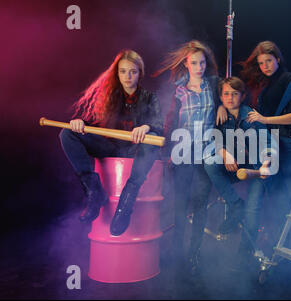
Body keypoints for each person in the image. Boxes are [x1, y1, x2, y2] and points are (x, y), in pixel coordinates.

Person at [59, 49, 163, 236]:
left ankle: (126, 202)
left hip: (136, 151)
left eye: (133, 71)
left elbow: (159, 125)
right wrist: (79, 122)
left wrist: (146, 127)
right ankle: (95, 192)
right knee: (67, 134)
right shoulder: (108, 96)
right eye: (123, 71)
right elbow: (90, 120)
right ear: (117, 73)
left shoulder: (150, 98)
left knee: (152, 144)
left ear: (140, 73)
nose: (128, 76)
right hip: (111, 148)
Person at [153, 40, 226, 275]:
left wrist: (223, 105)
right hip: (183, 153)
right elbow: (171, 124)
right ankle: (176, 254)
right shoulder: (179, 91)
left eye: (202, 62)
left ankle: (194, 254)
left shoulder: (213, 85)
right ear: (186, 63)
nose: (199, 67)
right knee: (180, 206)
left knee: (200, 205)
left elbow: (233, 94)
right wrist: (167, 155)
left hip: (205, 153)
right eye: (194, 62)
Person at [204, 76, 277, 270]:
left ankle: (244, 255)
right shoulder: (222, 116)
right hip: (237, 166)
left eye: (234, 94)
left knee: (252, 212)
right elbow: (216, 140)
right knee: (210, 163)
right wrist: (226, 155)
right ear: (220, 96)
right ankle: (236, 205)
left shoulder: (250, 116)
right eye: (226, 94)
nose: (230, 98)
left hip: (259, 168)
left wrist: (266, 164)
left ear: (242, 96)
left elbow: (269, 144)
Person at [241, 40, 291, 206]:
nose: (265, 66)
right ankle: (285, 232)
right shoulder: (267, 85)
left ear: (277, 59)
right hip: (273, 144)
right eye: (261, 63)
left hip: (289, 142)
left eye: (269, 61)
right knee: (278, 195)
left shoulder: (289, 80)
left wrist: (264, 119)